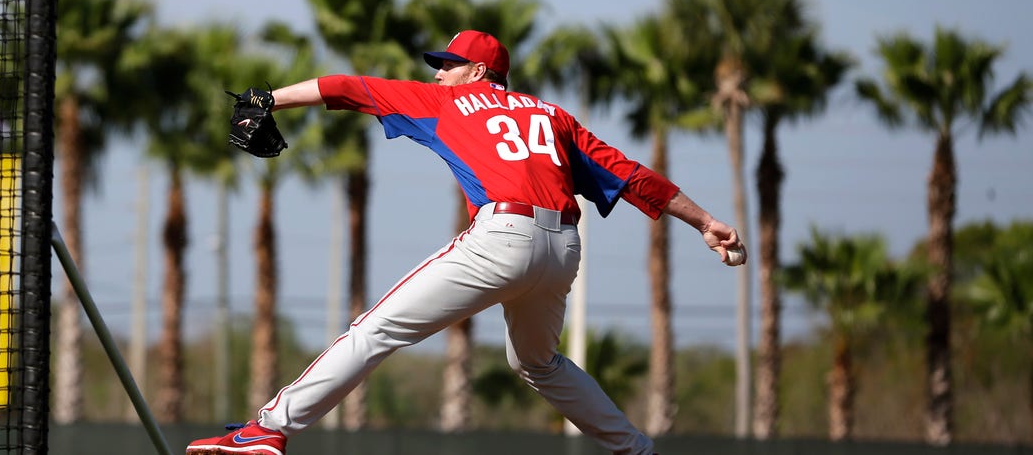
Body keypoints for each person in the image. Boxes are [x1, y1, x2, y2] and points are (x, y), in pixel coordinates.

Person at [186, 30, 745, 455]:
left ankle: (267, 431)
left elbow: (344, 87)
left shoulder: (450, 103)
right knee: (539, 362)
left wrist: (267, 99)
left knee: (375, 329)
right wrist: (704, 221)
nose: (438, 75)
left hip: (502, 237)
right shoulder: (554, 116)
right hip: (561, 250)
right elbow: (630, 174)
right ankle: (636, 450)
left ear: (478, 70)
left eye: (448, 65)